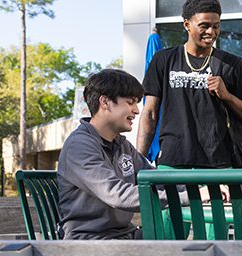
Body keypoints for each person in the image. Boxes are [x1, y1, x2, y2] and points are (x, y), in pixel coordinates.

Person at [58, 69, 188, 239]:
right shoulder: (79, 146)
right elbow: (117, 194)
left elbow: (156, 180)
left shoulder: (122, 145)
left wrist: (202, 189)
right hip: (91, 241)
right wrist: (186, 198)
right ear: (105, 102)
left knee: (185, 248)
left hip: (124, 235)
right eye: (130, 102)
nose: (136, 110)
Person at [136, 0, 242, 168]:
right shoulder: (163, 59)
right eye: (204, 26)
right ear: (187, 24)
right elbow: (150, 112)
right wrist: (138, 161)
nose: (211, 32)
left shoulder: (231, 64)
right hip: (173, 164)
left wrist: (227, 96)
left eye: (216, 26)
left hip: (219, 166)